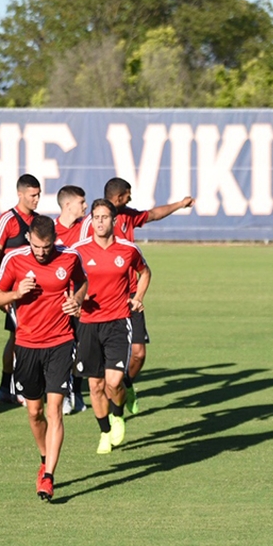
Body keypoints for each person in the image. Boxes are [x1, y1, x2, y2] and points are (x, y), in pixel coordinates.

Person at [0, 216, 88, 501]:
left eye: (46, 247)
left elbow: (82, 282)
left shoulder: (70, 257)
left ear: (54, 240)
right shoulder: (15, 260)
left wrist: (78, 300)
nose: (41, 252)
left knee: (54, 409)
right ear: (29, 240)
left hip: (60, 342)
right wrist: (15, 292)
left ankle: (48, 477)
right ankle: (45, 458)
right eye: (36, 246)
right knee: (34, 412)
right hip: (26, 344)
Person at [81, 177, 194, 413]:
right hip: (97, 303)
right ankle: (109, 408)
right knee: (97, 376)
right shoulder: (91, 225)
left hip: (129, 296)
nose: (131, 198)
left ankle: (126, 385)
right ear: (119, 196)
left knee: (139, 354)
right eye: (128, 194)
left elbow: (153, 214)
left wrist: (179, 205)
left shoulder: (129, 216)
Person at [72, 199, 150, 454]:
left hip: (117, 322)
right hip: (88, 324)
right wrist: (74, 300)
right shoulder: (79, 250)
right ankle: (104, 431)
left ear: (114, 221)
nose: (100, 222)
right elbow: (67, 281)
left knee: (114, 382)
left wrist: (137, 298)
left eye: (105, 217)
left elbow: (145, 272)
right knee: (95, 385)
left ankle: (118, 413)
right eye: (96, 217)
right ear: (91, 220)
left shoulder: (128, 250)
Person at [0, 174, 41, 405]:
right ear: (20, 194)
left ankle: (11, 386)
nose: (37, 199)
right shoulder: (7, 220)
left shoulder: (39, 222)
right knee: (19, 337)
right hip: (14, 292)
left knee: (27, 336)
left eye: (38, 194)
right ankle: (15, 386)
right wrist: (1, 290)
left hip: (36, 292)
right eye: (32, 195)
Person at [54, 185, 90, 414]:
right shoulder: (49, 230)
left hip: (84, 297)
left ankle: (75, 391)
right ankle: (66, 393)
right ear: (68, 205)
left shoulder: (86, 227)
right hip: (59, 300)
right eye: (81, 202)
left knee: (83, 350)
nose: (85, 206)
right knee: (64, 348)